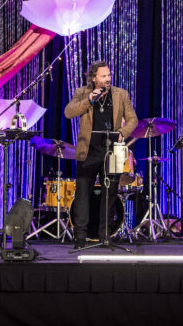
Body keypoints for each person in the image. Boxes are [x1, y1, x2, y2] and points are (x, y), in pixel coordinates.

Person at [64, 61, 138, 248]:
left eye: (109, 75)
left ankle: (105, 235)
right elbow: (68, 112)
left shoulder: (121, 94)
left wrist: (122, 132)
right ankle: (80, 237)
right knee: (83, 195)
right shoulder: (82, 93)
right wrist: (89, 99)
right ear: (94, 78)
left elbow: (133, 120)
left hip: (111, 152)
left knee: (110, 194)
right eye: (103, 76)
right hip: (88, 152)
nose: (108, 78)